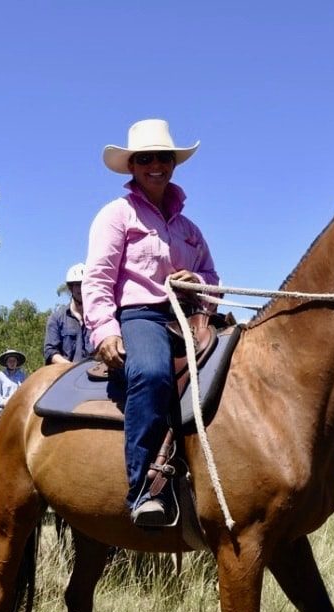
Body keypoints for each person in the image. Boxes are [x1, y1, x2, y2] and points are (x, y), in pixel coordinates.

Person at [83, 119, 219, 527]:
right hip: (140, 314)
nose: (156, 164)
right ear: (133, 166)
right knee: (153, 372)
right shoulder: (117, 214)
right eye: (146, 158)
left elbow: (213, 278)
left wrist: (197, 282)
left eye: (164, 157)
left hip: (190, 316)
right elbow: (98, 278)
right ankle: (144, 487)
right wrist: (104, 330)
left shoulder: (189, 227)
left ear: (174, 164)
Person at [43, 263, 93, 364]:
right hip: (66, 372)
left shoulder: (100, 317)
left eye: (85, 284)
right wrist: (70, 367)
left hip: (95, 371)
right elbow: (50, 351)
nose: (82, 289)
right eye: (78, 285)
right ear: (70, 288)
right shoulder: (56, 318)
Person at [0, 349, 26, 415]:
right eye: (10, 361)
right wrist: (4, 403)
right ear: (6, 362)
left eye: (14, 361)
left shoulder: (22, 375)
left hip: (19, 406)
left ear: (17, 362)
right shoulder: (0, 375)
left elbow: (25, 392)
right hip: (3, 407)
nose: (12, 363)